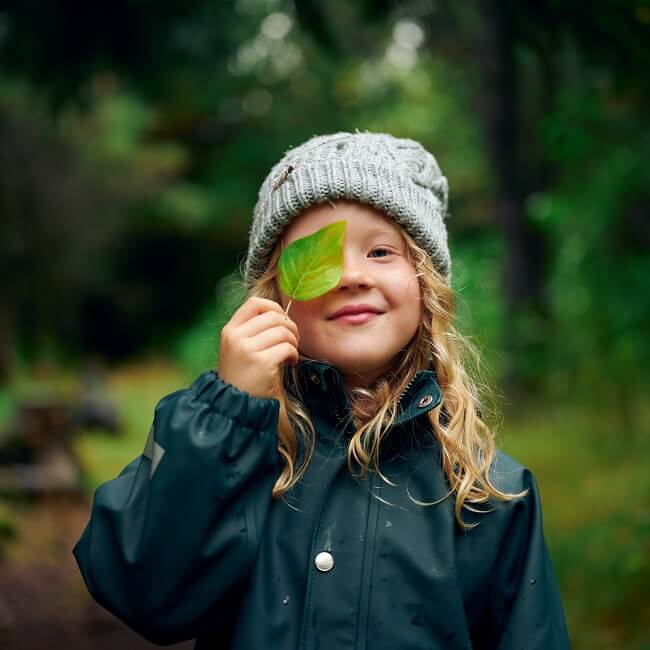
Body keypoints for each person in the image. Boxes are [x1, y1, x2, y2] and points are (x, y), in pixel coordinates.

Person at [72, 131, 571, 649]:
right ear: (275, 293)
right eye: (320, 257)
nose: (351, 275)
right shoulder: (223, 447)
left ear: (426, 284)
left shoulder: (490, 493)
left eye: (380, 251)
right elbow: (142, 593)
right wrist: (228, 413)